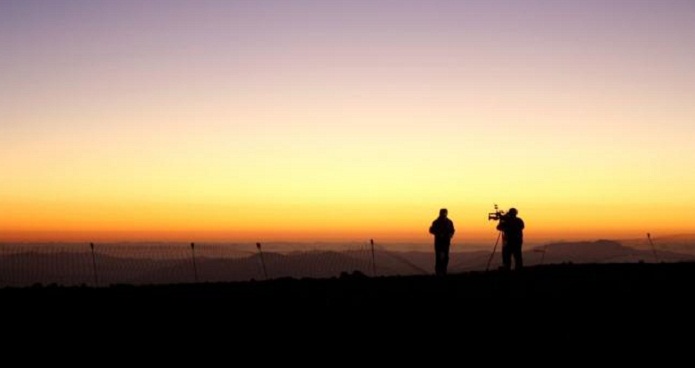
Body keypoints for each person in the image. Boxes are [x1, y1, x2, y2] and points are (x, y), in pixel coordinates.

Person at [429, 208, 455, 276]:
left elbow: (452, 230)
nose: (444, 214)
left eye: (445, 213)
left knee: (446, 257)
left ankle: (444, 270)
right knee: (438, 257)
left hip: (446, 242)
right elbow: (431, 230)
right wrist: (438, 233)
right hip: (439, 242)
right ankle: (438, 272)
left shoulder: (449, 222)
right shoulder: (436, 222)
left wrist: (450, 234)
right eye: (443, 213)